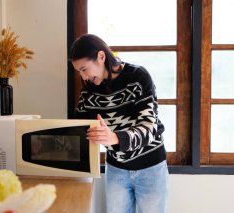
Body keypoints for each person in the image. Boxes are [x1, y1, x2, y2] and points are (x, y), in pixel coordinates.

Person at [70, 34, 168, 213]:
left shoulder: (138, 76)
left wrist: (115, 138)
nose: (83, 77)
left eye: (84, 69)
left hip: (150, 167)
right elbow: (79, 131)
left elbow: (149, 127)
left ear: (101, 56)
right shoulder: (88, 93)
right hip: (116, 169)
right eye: (79, 72)